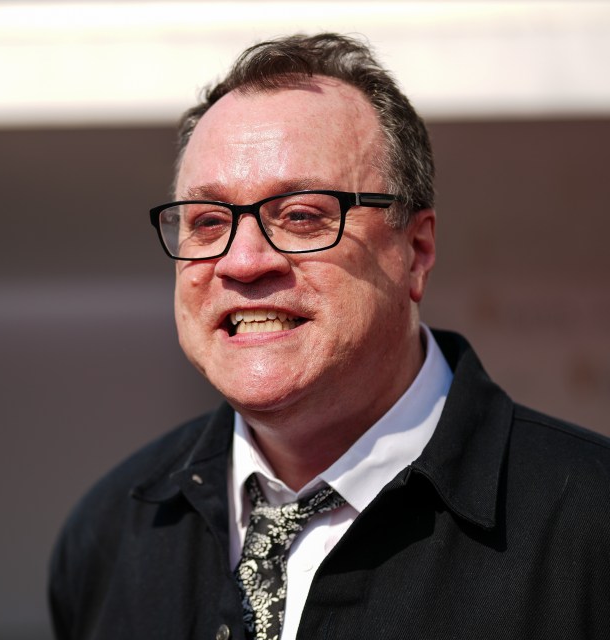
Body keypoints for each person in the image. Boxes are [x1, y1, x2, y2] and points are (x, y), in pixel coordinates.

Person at [48, 33, 610, 640]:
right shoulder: (111, 533)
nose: (242, 263)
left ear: (415, 251)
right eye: (208, 223)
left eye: (301, 215)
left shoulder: (590, 527)